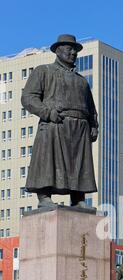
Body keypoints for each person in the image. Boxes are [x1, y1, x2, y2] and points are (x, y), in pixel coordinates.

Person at [21, 34, 98, 209]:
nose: (73, 53)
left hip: (80, 127)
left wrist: (94, 125)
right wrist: (47, 112)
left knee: (79, 164)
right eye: (69, 49)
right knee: (48, 161)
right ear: (58, 50)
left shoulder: (82, 81)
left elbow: (91, 108)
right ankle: (44, 196)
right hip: (55, 124)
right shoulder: (44, 71)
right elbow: (28, 97)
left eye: (75, 50)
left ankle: (78, 198)